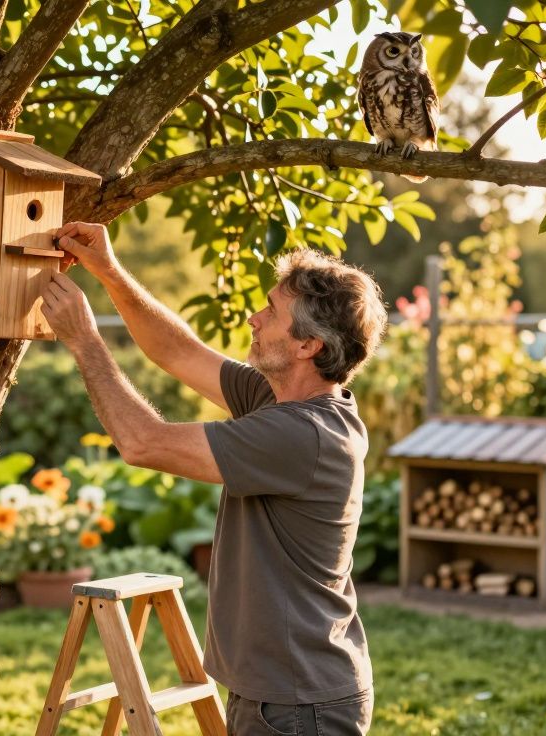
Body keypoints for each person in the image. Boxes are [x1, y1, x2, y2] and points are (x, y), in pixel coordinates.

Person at [39, 221, 388, 736]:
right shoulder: (281, 400)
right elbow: (176, 352)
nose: (255, 317)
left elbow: (143, 442)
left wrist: (85, 341)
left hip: (296, 706)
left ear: (307, 346)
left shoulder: (302, 435)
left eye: (271, 311)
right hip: (287, 692)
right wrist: (110, 273)